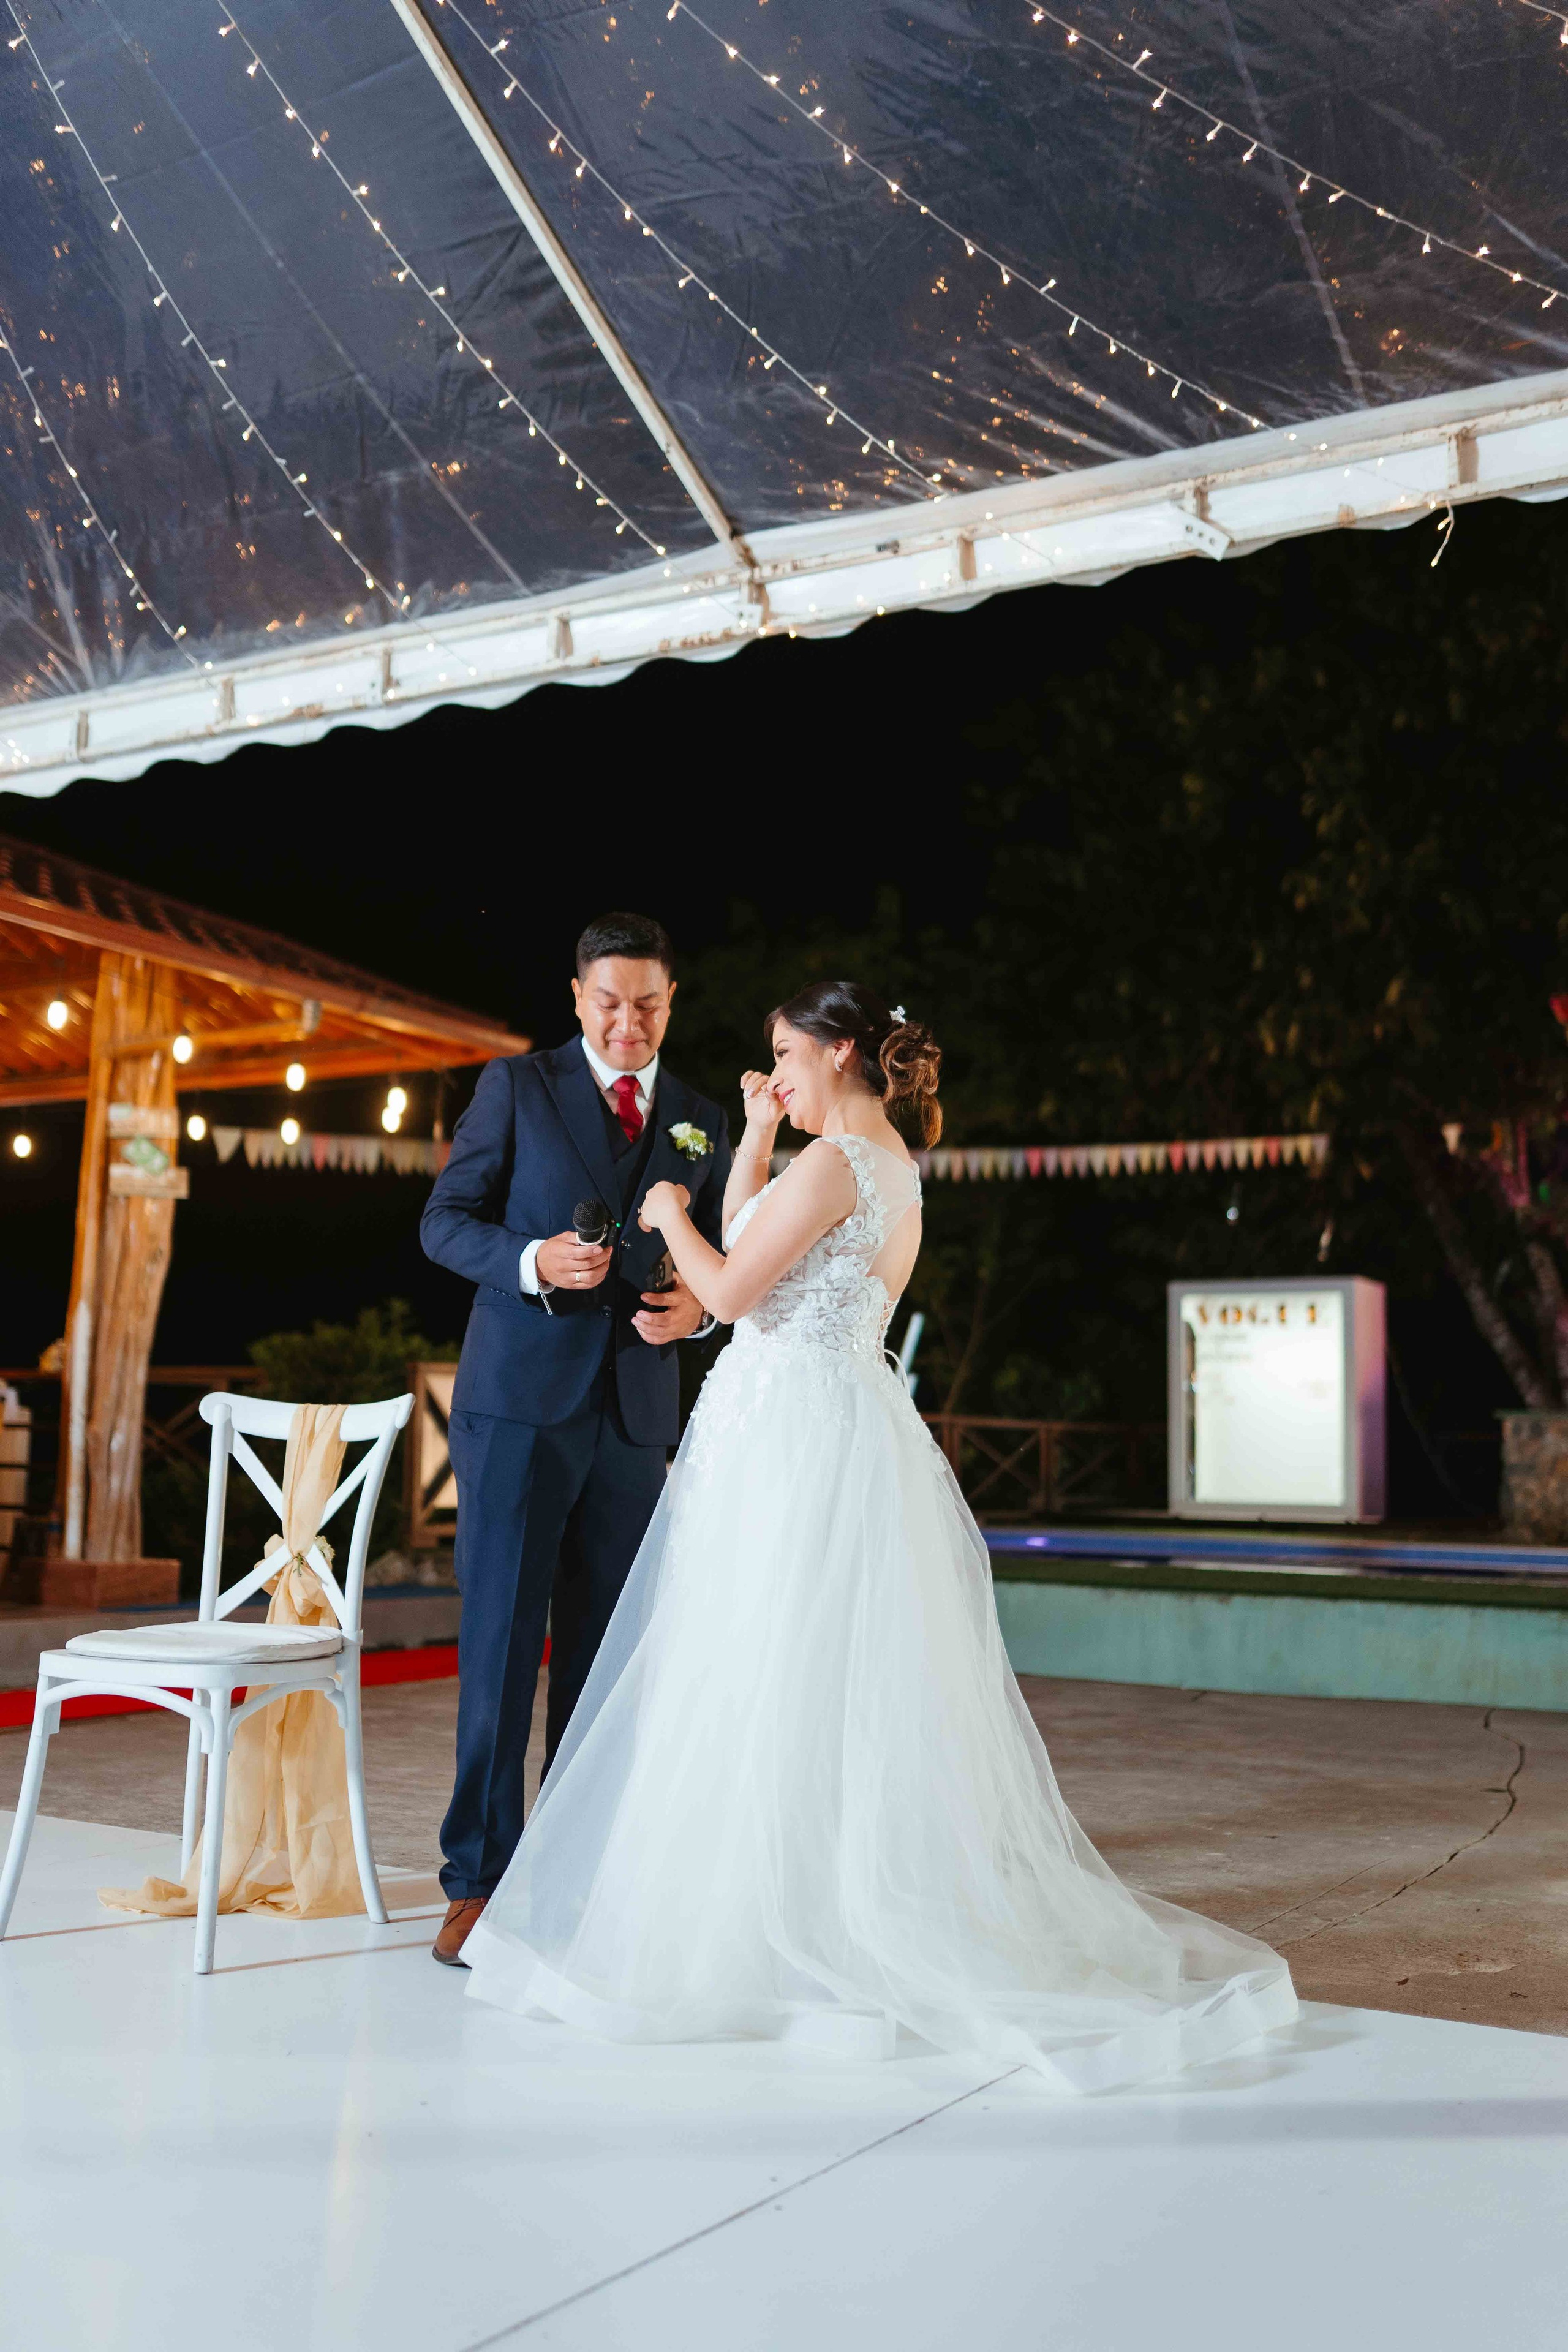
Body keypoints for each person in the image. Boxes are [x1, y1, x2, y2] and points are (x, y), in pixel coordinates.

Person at [463, 981, 1296, 2092]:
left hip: (788, 1440)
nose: (778, 1074)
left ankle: (759, 1926)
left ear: (840, 1050)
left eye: (786, 1057)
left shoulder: (840, 1164)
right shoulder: (881, 1164)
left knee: (763, 1667)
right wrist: (752, 1136)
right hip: (826, 1426)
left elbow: (731, 1288)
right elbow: (764, 1243)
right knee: (797, 1675)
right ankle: (787, 1901)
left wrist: (668, 1218)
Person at [419, 913, 731, 1966]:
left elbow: (725, 1259)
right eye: (610, 1001)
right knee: (502, 1651)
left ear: (671, 1001)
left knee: (606, 1662)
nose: (629, 1020)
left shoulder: (697, 1116)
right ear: (578, 998)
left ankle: (583, 1878)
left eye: (648, 1002)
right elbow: (444, 1220)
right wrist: (531, 1261)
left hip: (637, 1419)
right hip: (517, 1411)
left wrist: (700, 1310)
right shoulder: (517, 1086)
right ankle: (478, 1883)